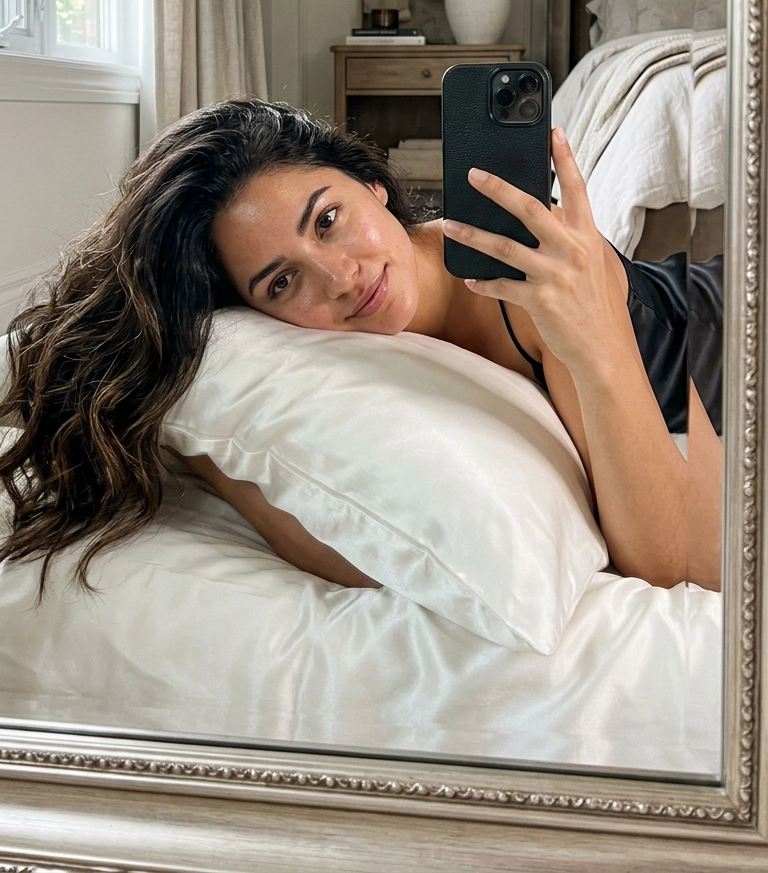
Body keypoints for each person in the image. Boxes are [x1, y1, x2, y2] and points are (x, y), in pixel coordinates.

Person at [0, 99, 722, 599]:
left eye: (328, 219)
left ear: (375, 186)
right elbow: (360, 559)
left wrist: (594, 341)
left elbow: (679, 565)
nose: (340, 277)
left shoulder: (524, 277)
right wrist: (201, 453)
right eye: (283, 281)